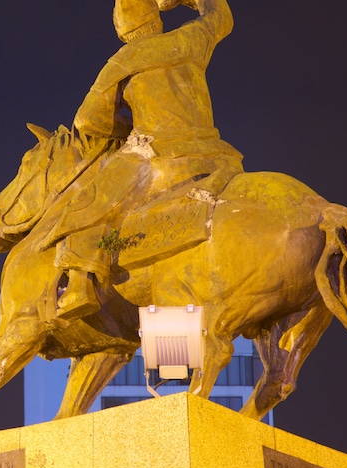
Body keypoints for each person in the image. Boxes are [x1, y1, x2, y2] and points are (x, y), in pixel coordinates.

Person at [43, 0, 245, 320]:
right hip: (214, 154)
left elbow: (86, 121)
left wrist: (128, 128)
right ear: (156, 19)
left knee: (90, 200)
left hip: (157, 155)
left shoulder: (125, 59)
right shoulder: (189, 40)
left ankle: (81, 282)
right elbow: (221, 16)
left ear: (123, 31)